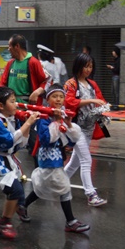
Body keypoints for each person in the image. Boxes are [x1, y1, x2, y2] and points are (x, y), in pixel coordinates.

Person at [21, 84, 90, 233]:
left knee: (43, 186)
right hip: (48, 157)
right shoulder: (43, 117)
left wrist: (69, 125)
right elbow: (46, 139)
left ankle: (22, 205)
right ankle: (70, 221)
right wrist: (58, 122)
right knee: (64, 187)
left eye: (61, 96)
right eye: (54, 96)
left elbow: (70, 140)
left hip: (58, 157)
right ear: (48, 99)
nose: (58, 99)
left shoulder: (62, 114)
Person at [0, 86, 39, 239]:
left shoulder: (11, 118)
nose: (16, 104)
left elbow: (20, 143)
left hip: (8, 158)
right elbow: (8, 140)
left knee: (17, 190)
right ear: (1, 105)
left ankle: (13, 211)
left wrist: (27, 124)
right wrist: (28, 123)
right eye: (12, 101)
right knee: (16, 190)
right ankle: (4, 222)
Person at [63, 53, 108, 206]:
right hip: (75, 128)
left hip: (89, 128)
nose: (89, 69)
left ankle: (56, 186)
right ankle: (91, 195)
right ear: (79, 66)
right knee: (86, 160)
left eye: (90, 66)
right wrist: (91, 100)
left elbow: (101, 101)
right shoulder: (71, 84)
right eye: (86, 66)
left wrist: (104, 110)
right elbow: (68, 102)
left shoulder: (93, 84)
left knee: (74, 163)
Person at [0, 34, 49, 158]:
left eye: (9, 47)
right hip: (12, 109)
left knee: (32, 141)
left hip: (29, 109)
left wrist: (37, 91)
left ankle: (38, 170)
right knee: (11, 139)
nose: (8, 50)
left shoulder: (33, 62)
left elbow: (45, 81)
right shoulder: (10, 64)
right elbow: (2, 84)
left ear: (17, 46)